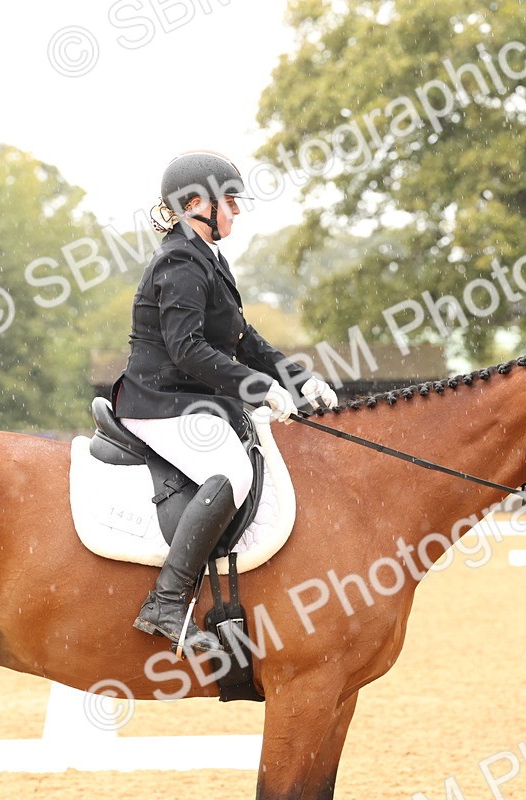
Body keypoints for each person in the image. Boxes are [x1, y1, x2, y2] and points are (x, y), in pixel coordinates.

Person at [112, 151, 338, 653]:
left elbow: (245, 340)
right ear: (195, 204)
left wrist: (299, 381)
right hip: (158, 400)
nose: (235, 211)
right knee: (232, 473)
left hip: (189, 400)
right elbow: (187, 349)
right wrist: (259, 389)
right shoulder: (180, 261)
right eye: (228, 202)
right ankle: (166, 603)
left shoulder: (207, 259)